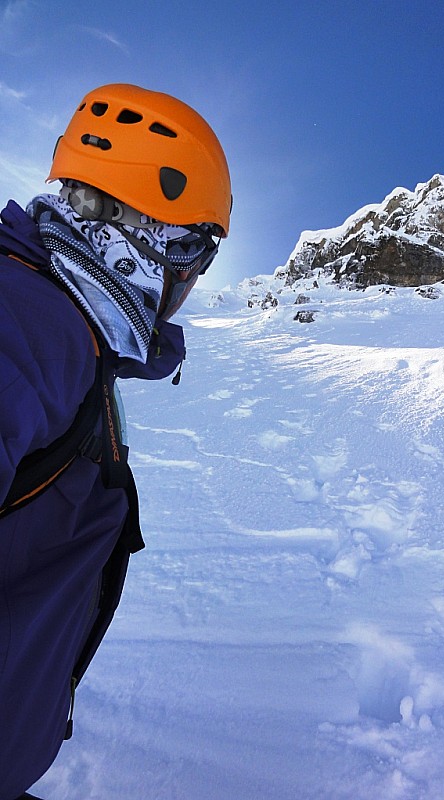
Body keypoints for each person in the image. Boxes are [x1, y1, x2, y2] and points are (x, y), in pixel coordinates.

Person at [0, 83, 232, 800]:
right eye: (197, 249)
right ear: (150, 235)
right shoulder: (32, 323)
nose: (192, 279)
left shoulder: (64, 323)